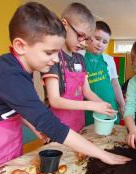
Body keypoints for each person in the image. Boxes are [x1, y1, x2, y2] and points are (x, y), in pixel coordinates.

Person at [0, 2, 130, 173]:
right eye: (49, 52)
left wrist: (34, 125)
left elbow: (12, 107)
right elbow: (52, 124)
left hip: (7, 141)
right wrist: (103, 155)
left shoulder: (21, 68)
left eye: (56, 52)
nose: (57, 60)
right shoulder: (9, 76)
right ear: (21, 46)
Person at [41, 3, 117, 133]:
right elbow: (55, 100)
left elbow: (87, 92)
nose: (83, 43)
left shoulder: (80, 59)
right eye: (80, 36)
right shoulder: (53, 57)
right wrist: (91, 105)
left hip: (79, 124)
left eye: (87, 39)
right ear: (64, 25)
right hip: (59, 128)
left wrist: (104, 105)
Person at [84, 21, 124, 126]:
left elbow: (115, 84)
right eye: (97, 39)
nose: (100, 44)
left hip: (109, 106)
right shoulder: (79, 56)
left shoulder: (109, 60)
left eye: (105, 42)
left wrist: (122, 105)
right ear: (88, 37)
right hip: (87, 108)